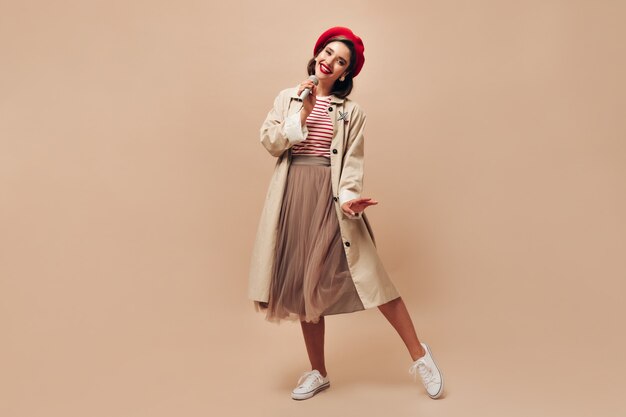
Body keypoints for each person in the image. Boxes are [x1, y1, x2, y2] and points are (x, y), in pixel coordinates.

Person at [248, 26, 444, 400]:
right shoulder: (288, 98)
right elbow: (271, 143)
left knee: (374, 279)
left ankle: (420, 356)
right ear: (317, 52)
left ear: (345, 74)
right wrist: (300, 117)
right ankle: (318, 371)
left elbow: (351, 162)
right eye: (328, 52)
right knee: (308, 288)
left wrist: (350, 197)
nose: (330, 61)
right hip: (293, 198)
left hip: (332, 199)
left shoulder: (352, 112)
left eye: (341, 61)